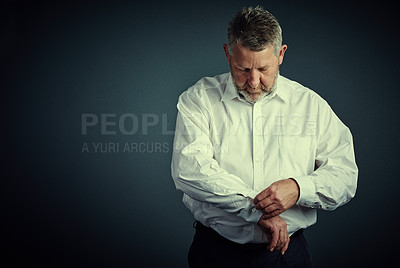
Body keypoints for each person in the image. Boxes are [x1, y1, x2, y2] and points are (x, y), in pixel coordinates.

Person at [171, 6, 358, 268]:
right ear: (227, 53)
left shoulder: (310, 105)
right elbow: (190, 171)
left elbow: (346, 176)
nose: (254, 81)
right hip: (216, 253)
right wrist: (255, 211)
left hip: (288, 256)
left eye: (263, 69)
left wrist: (298, 188)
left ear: (280, 55)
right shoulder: (198, 99)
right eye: (243, 69)